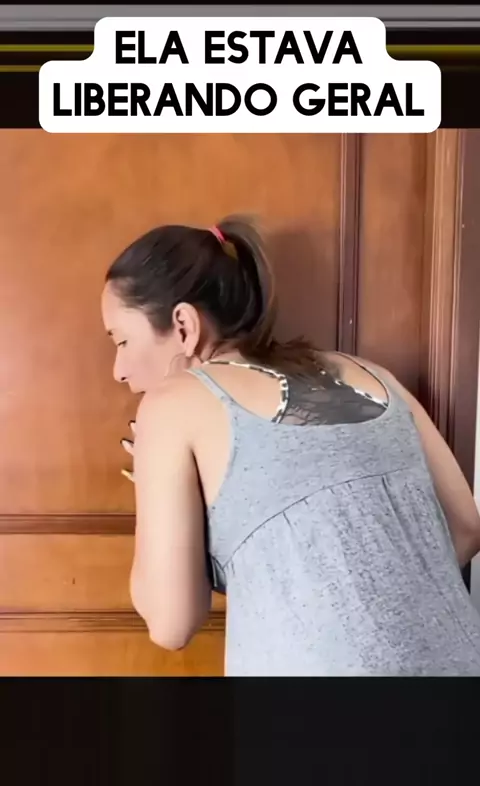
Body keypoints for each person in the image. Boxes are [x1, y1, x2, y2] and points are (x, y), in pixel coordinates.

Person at [101, 214, 480, 676]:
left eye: (122, 341)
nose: (118, 370)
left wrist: (156, 479)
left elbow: (170, 623)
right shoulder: (372, 374)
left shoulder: (171, 404)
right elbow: (466, 526)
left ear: (183, 326)